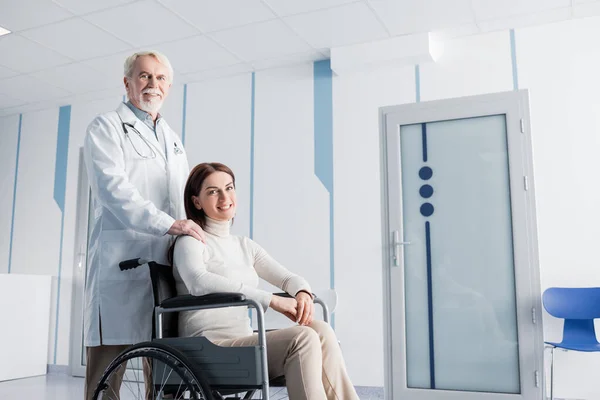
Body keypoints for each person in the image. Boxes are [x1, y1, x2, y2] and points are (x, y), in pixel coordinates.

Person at [171, 162, 359, 400]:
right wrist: (271, 301)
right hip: (208, 347)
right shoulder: (191, 240)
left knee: (319, 329)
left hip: (244, 342)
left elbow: (288, 278)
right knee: (302, 338)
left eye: (229, 188)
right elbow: (199, 282)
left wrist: (301, 292)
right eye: (212, 191)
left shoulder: (244, 245)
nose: (224, 197)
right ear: (196, 201)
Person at [82, 50, 205, 400]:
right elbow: (113, 190)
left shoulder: (173, 139)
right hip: (120, 266)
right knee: (105, 379)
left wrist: (194, 232)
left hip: (164, 266)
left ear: (169, 85)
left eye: (161, 77)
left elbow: (182, 197)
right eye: (144, 76)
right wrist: (168, 224)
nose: (153, 84)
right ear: (127, 82)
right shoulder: (106, 127)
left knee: (164, 375)